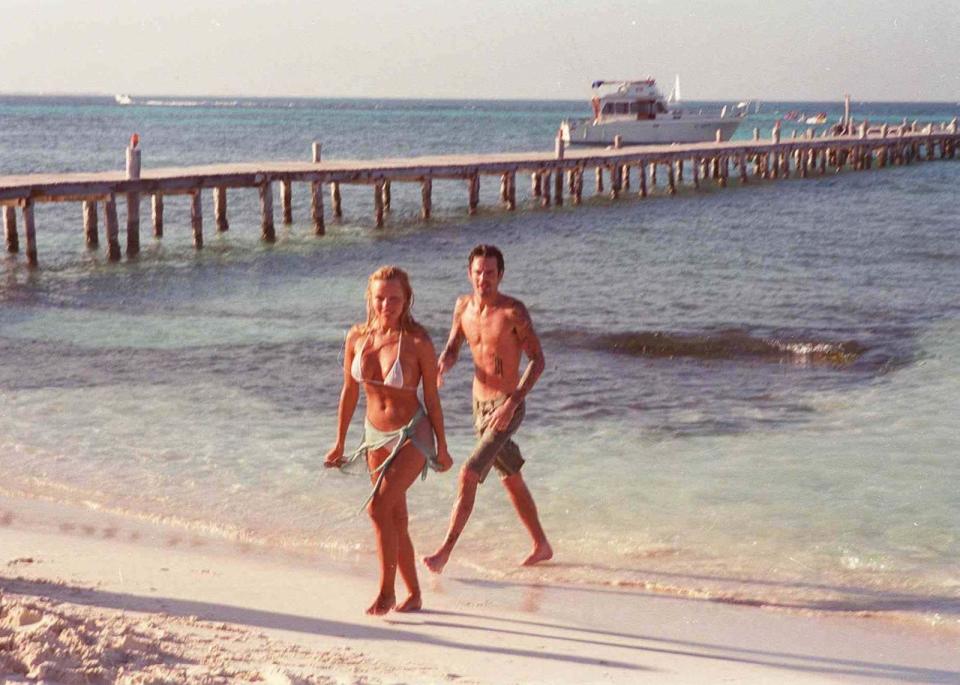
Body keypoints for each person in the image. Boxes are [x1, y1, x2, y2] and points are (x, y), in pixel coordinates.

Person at [324, 265, 452, 615]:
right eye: (380, 298)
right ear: (370, 298)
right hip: (374, 435)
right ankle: (414, 594)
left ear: (407, 299)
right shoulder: (356, 338)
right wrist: (339, 442)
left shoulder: (417, 342)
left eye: (394, 298)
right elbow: (349, 392)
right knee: (394, 518)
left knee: (377, 508)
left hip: (412, 432)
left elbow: (432, 398)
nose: (386, 305)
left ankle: (386, 591)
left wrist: (442, 446)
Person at [422, 245, 552, 573]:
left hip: (507, 407)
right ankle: (541, 544)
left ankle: (444, 552)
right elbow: (455, 345)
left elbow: (538, 361)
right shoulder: (462, 307)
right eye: (478, 272)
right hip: (479, 405)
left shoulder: (513, 312)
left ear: (501, 275)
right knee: (511, 477)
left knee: (468, 473)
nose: (484, 279)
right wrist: (444, 363)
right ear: (470, 274)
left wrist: (512, 403)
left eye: (490, 273)